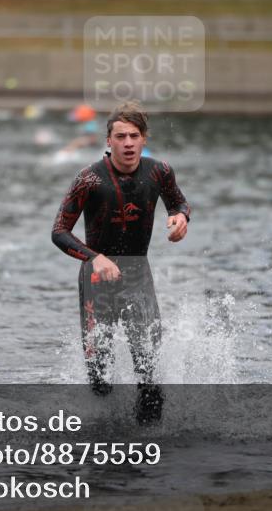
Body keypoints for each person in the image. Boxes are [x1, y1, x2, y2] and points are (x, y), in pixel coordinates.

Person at [51, 102, 191, 422]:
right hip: (97, 280)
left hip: (138, 275)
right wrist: (95, 258)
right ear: (109, 140)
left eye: (134, 136)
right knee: (100, 379)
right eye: (120, 136)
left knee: (148, 368)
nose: (128, 143)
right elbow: (59, 232)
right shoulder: (88, 179)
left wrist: (181, 217)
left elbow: (178, 202)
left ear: (144, 139)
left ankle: (150, 440)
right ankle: (105, 433)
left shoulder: (159, 171)